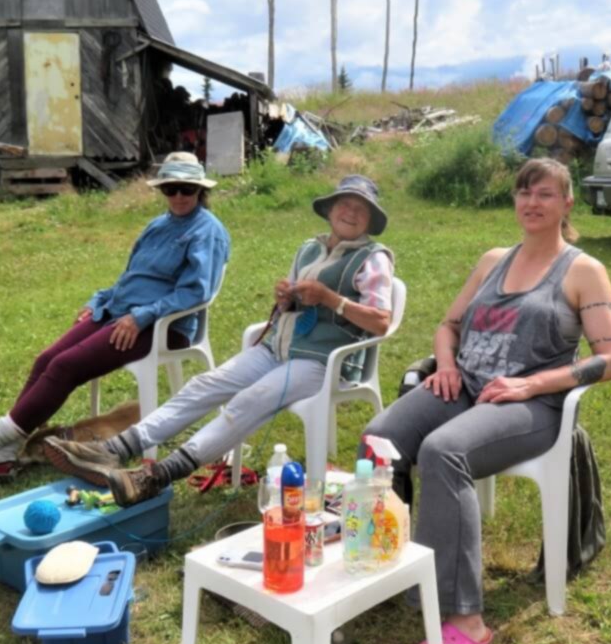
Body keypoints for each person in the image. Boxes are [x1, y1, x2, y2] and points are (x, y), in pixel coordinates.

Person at [360, 158, 611, 644]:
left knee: (443, 452)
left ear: (567, 204)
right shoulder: (492, 260)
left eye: (545, 194)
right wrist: (444, 365)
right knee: (379, 437)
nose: (532, 203)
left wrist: (531, 382)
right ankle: (388, 563)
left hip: (531, 407)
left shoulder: (583, 271)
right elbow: (448, 325)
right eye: (524, 193)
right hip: (466, 387)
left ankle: (467, 619)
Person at [46, 174, 396, 508]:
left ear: (369, 220)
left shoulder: (372, 258)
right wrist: (286, 299)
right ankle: (117, 448)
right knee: (205, 384)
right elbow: (295, 304)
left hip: (324, 361)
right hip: (279, 349)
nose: (349, 212)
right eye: (344, 204)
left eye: (359, 208)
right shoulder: (310, 249)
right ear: (330, 209)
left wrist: (330, 298)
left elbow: (381, 322)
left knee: (250, 399)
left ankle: (157, 476)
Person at [0, 152, 230, 491]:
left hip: (163, 326)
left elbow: (197, 293)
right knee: (46, 359)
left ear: (200, 190)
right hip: (119, 313)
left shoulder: (208, 232)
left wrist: (141, 317)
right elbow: (132, 278)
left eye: (186, 189)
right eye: (170, 189)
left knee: (66, 366)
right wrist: (98, 301)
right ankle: (4, 456)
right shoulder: (157, 225)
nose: (177, 197)